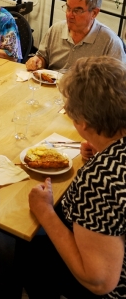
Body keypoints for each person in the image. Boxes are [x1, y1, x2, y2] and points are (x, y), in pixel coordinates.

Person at [22, 56, 126, 299]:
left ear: (83, 122)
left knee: (29, 249)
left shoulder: (101, 177)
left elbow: (100, 281)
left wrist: (45, 211)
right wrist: (102, 148)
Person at [26, 0, 126, 71]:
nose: (69, 15)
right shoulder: (55, 30)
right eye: (68, 8)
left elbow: (119, 83)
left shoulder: (110, 42)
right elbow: (43, 58)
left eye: (77, 11)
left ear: (94, 13)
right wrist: (37, 61)